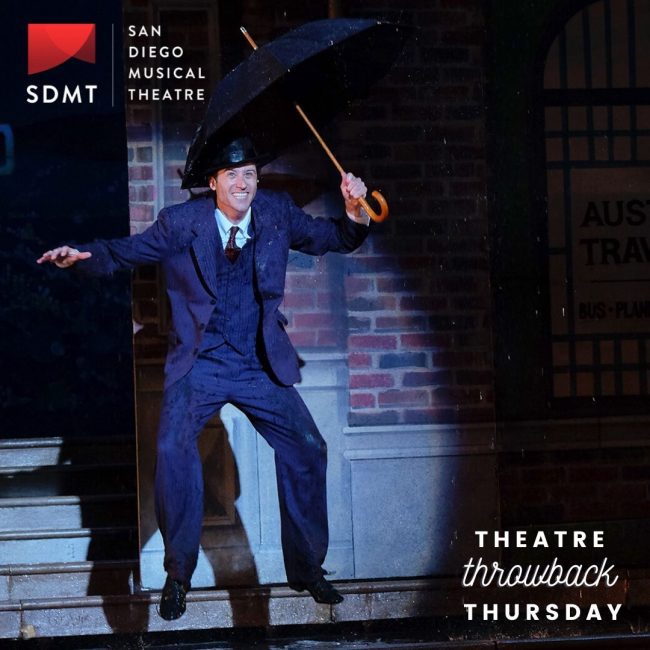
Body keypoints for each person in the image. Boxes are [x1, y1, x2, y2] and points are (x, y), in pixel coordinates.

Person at [37, 136, 370, 621]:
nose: (243, 183)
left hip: (257, 361)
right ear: (213, 182)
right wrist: (82, 256)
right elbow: (127, 252)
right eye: (232, 175)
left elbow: (336, 238)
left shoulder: (276, 213)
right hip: (200, 363)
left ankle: (307, 569)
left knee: (307, 447)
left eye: (250, 174)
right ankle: (178, 574)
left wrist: (356, 210)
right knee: (173, 448)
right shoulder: (183, 222)